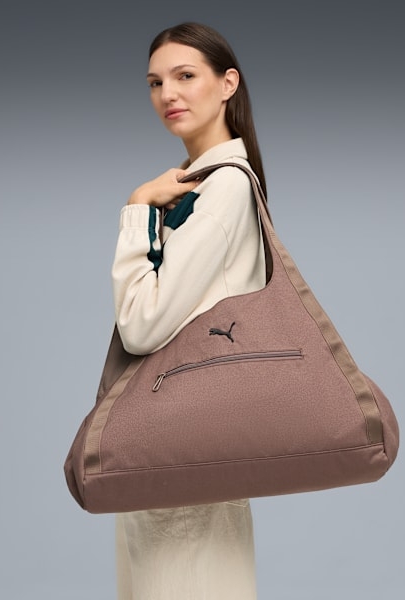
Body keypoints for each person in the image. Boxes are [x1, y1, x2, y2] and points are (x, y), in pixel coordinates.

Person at [112, 22, 267, 600]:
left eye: (184, 76)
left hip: (184, 449)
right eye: (155, 82)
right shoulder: (199, 187)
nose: (167, 94)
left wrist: (136, 208)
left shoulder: (223, 191)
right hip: (183, 444)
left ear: (228, 84)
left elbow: (141, 325)